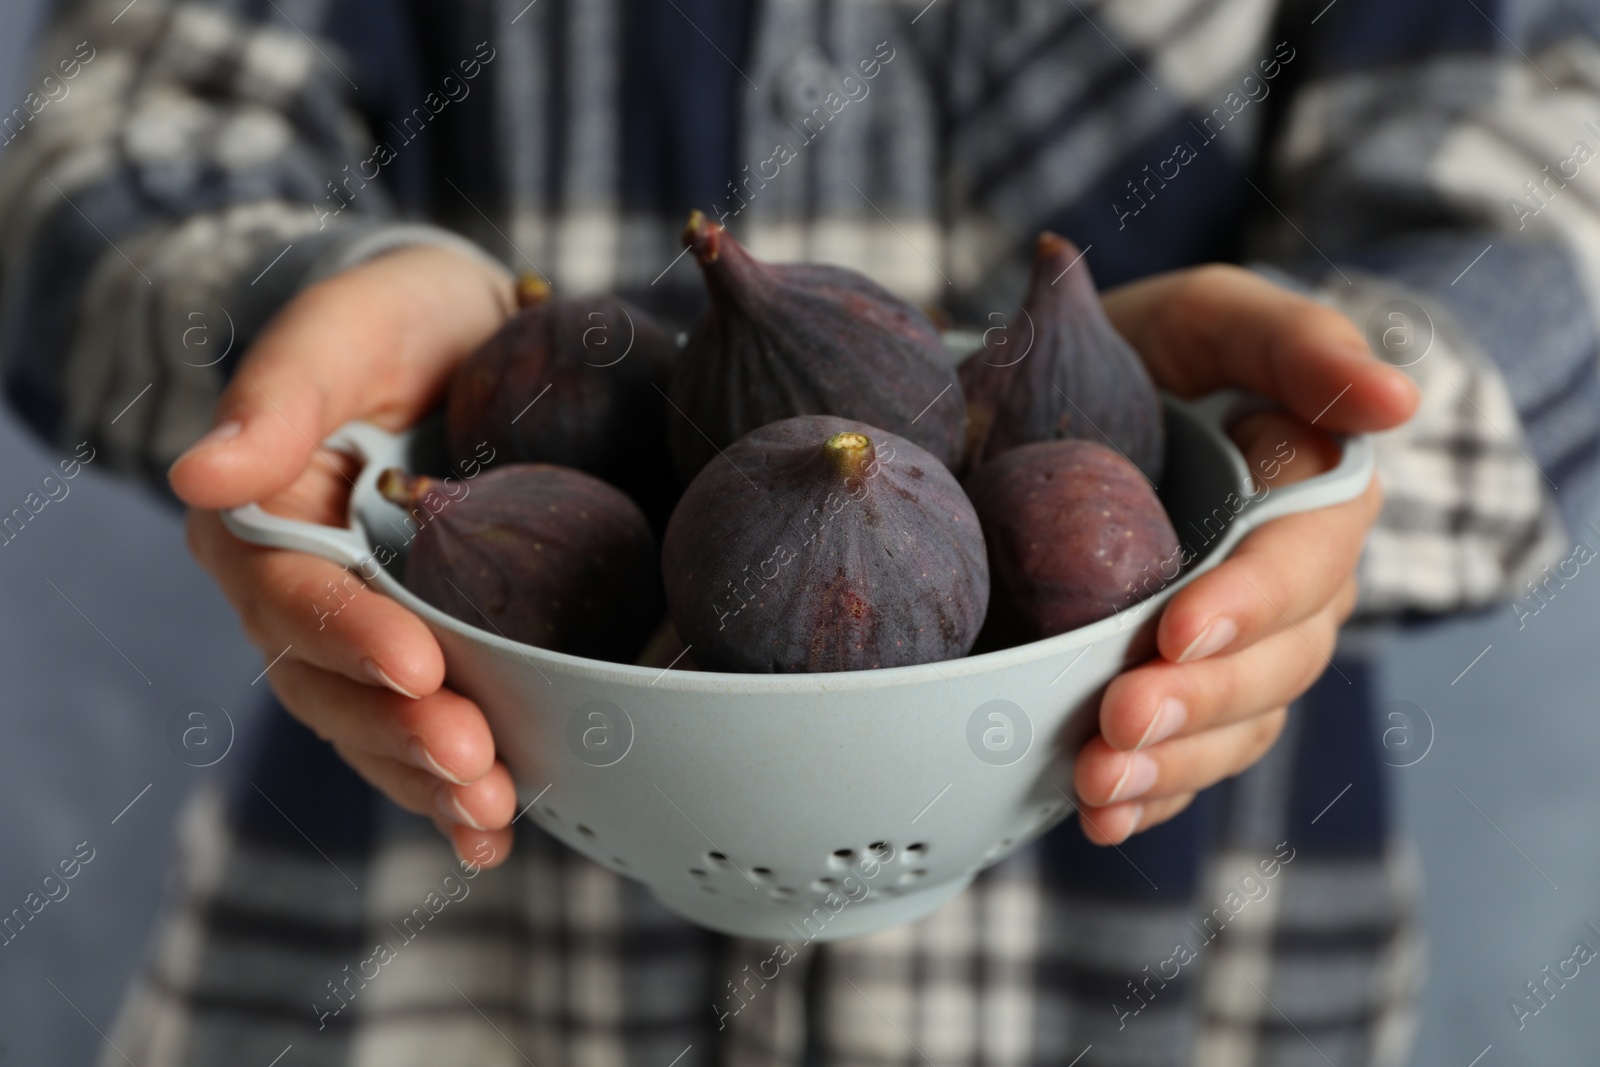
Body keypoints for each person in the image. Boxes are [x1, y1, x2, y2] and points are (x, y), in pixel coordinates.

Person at [2, 0, 1591, 1063]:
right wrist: (280, 324)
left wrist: (1348, 417)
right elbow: (126, 130)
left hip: (1166, 943)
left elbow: (1542, 182)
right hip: (425, 924)